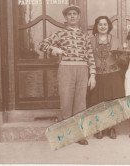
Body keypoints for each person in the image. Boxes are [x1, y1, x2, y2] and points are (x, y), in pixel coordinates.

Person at [39, 5, 96, 145]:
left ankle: (79, 134)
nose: (72, 16)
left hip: (82, 69)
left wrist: (93, 75)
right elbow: (42, 44)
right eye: (69, 14)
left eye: (75, 14)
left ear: (79, 17)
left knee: (80, 103)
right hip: (66, 69)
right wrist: (54, 49)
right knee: (66, 101)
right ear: (65, 17)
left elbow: (90, 55)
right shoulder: (60, 33)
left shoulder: (85, 36)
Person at [88, 16, 125, 139]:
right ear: (96, 26)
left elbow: (122, 58)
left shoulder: (115, 39)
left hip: (113, 74)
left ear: (109, 26)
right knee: (98, 102)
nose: (103, 26)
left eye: (105, 24)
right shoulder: (91, 40)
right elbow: (88, 57)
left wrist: (121, 56)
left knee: (112, 101)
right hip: (97, 75)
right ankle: (99, 128)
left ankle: (112, 128)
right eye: (100, 24)